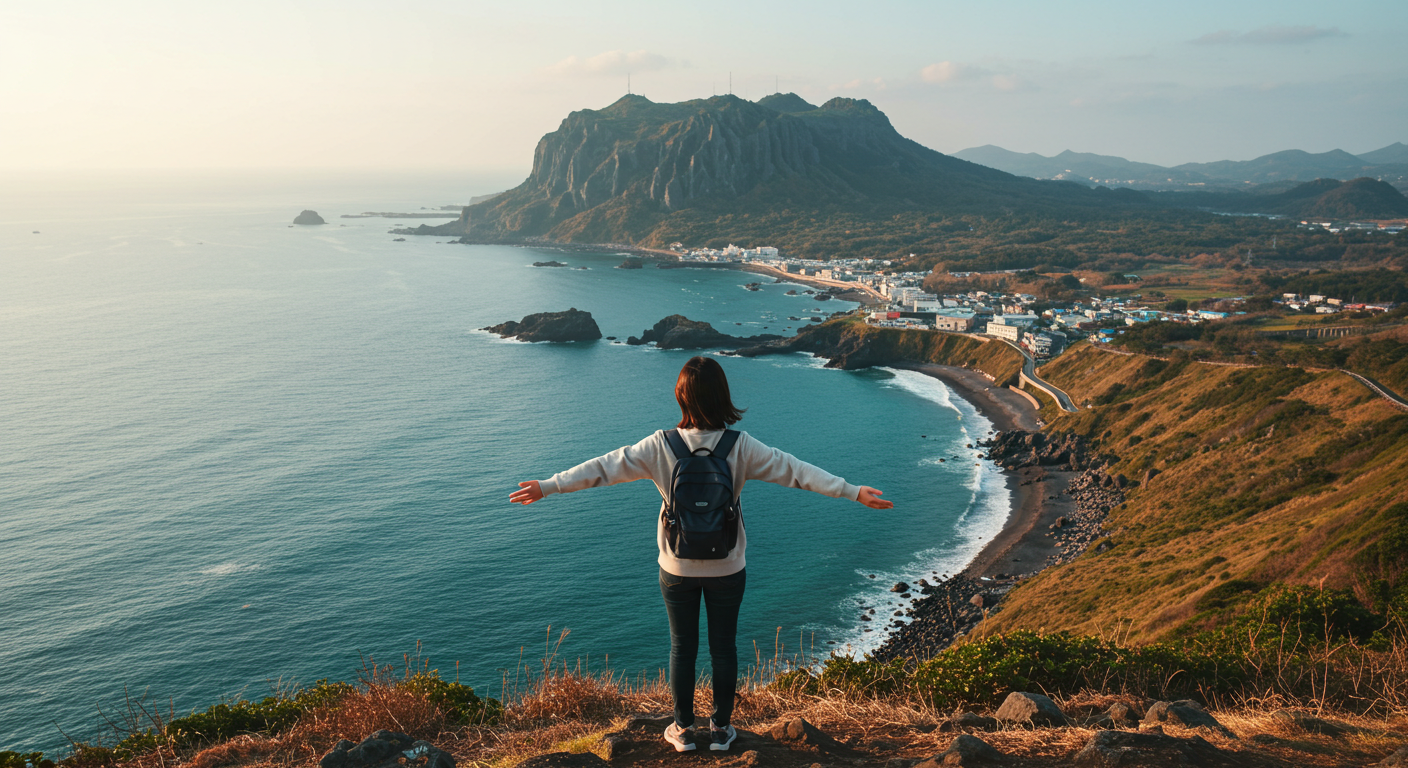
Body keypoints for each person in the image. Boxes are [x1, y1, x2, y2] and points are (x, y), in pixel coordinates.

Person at [510, 356, 893, 752]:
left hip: (676, 567)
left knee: (682, 647)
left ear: (681, 397)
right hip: (728, 565)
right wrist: (852, 491)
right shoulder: (740, 446)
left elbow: (605, 468)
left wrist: (548, 486)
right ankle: (722, 730)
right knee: (723, 647)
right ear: (722, 396)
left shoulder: (660, 446)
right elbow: (796, 471)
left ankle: (682, 730)